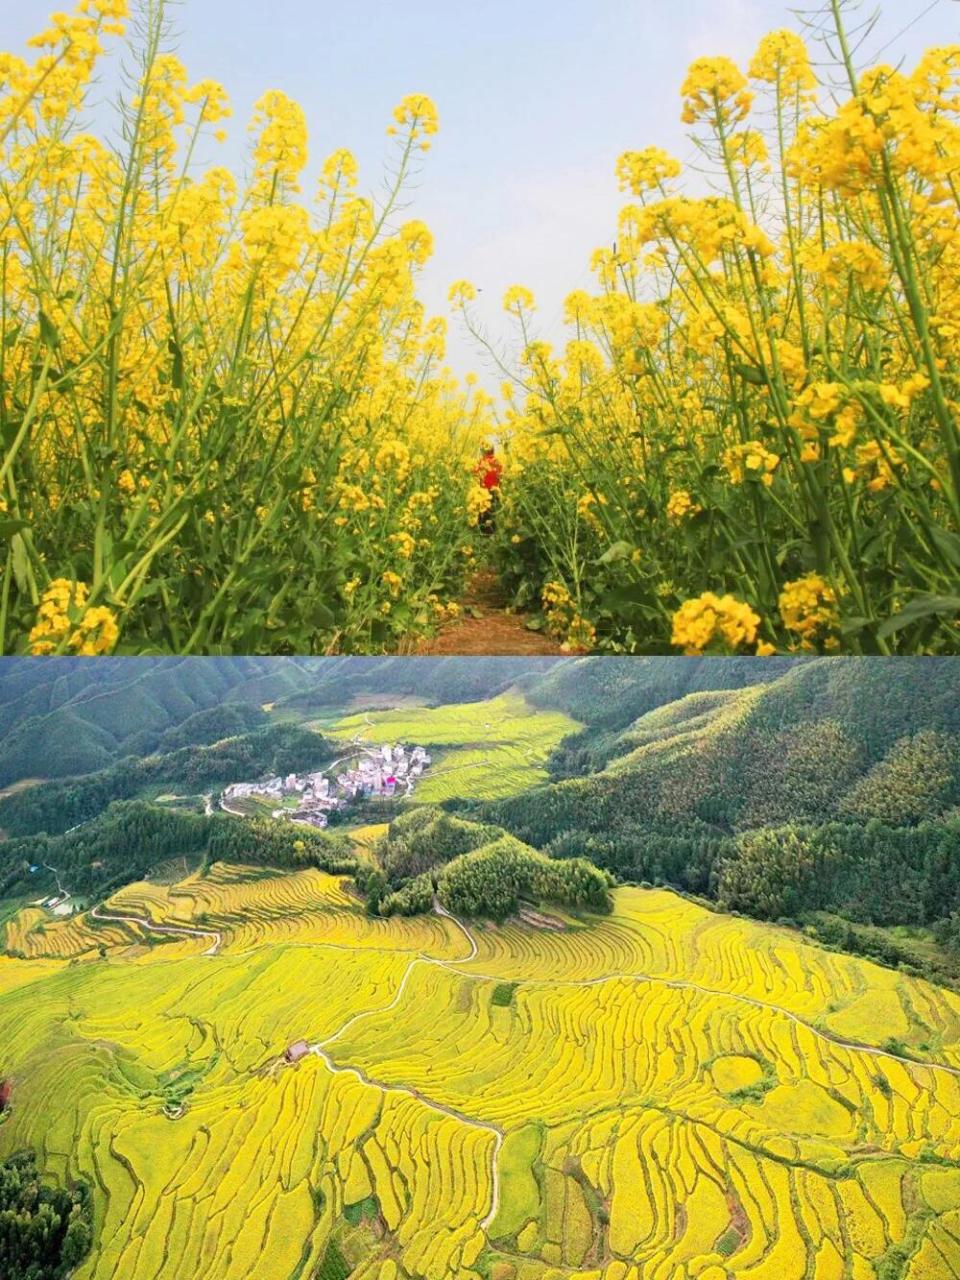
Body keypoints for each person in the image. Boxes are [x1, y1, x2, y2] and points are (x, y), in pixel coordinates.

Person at [475, 445, 502, 535]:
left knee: (482, 513)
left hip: (483, 493)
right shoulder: (497, 461)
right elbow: (500, 476)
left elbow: (475, 472)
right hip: (494, 491)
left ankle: (482, 533)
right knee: (493, 513)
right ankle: (492, 533)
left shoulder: (482, 461)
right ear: (493, 451)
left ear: (485, 451)